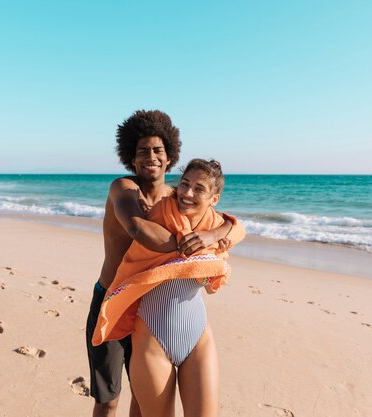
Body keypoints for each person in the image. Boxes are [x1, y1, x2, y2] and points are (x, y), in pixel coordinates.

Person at [86, 111, 236, 417]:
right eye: (142, 151)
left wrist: (214, 234)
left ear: (169, 157)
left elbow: (229, 224)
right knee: (108, 398)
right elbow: (138, 229)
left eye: (158, 150)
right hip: (113, 300)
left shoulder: (178, 197)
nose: (150, 157)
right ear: (132, 157)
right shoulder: (124, 189)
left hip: (151, 307)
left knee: (142, 400)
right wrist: (191, 244)